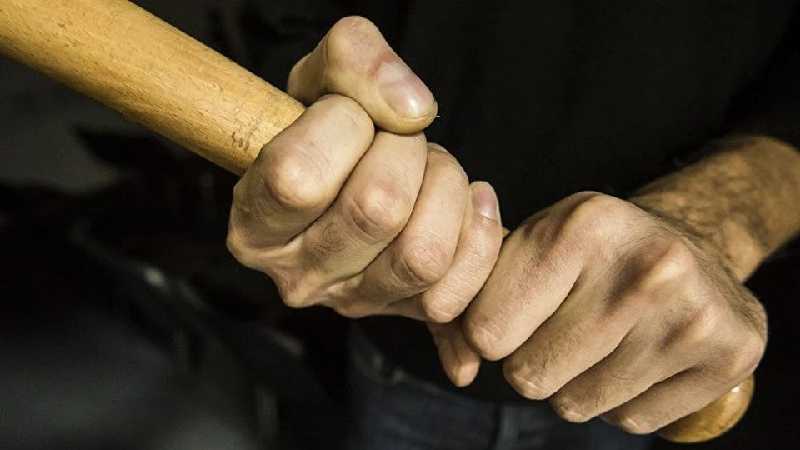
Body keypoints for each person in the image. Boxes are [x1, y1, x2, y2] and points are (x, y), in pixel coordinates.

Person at [226, 2, 800, 449]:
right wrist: (307, 149)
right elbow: (277, 24)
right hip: (400, 351)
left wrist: (706, 226)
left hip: (631, 368)